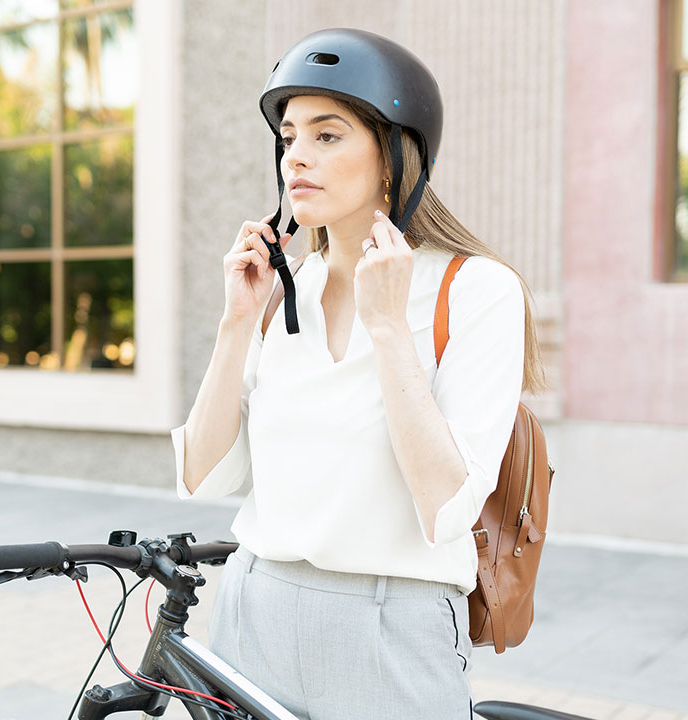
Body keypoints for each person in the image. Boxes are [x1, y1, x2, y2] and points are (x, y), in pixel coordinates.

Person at [171, 28, 545, 719]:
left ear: (393, 155)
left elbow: (447, 505)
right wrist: (235, 322)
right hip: (252, 610)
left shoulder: (479, 290)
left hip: (390, 626)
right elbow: (203, 474)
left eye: (328, 135)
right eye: (288, 138)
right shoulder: (287, 290)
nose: (297, 159)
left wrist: (386, 326)